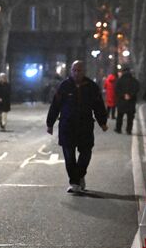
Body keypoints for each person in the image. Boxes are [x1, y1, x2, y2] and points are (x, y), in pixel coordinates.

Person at [46, 60, 109, 193]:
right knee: (69, 155)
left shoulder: (91, 86)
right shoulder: (64, 86)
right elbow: (55, 105)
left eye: (79, 70)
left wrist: (102, 122)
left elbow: (98, 105)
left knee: (86, 153)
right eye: (74, 70)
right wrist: (50, 124)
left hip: (85, 125)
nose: (76, 73)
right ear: (71, 71)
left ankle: (80, 175)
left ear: (84, 71)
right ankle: (74, 182)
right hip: (67, 126)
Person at [114, 68, 140, 135]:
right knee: (130, 117)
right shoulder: (134, 80)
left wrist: (123, 95)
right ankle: (129, 130)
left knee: (120, 116)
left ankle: (118, 129)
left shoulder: (119, 80)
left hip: (121, 100)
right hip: (131, 101)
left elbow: (116, 89)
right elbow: (137, 89)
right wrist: (130, 95)